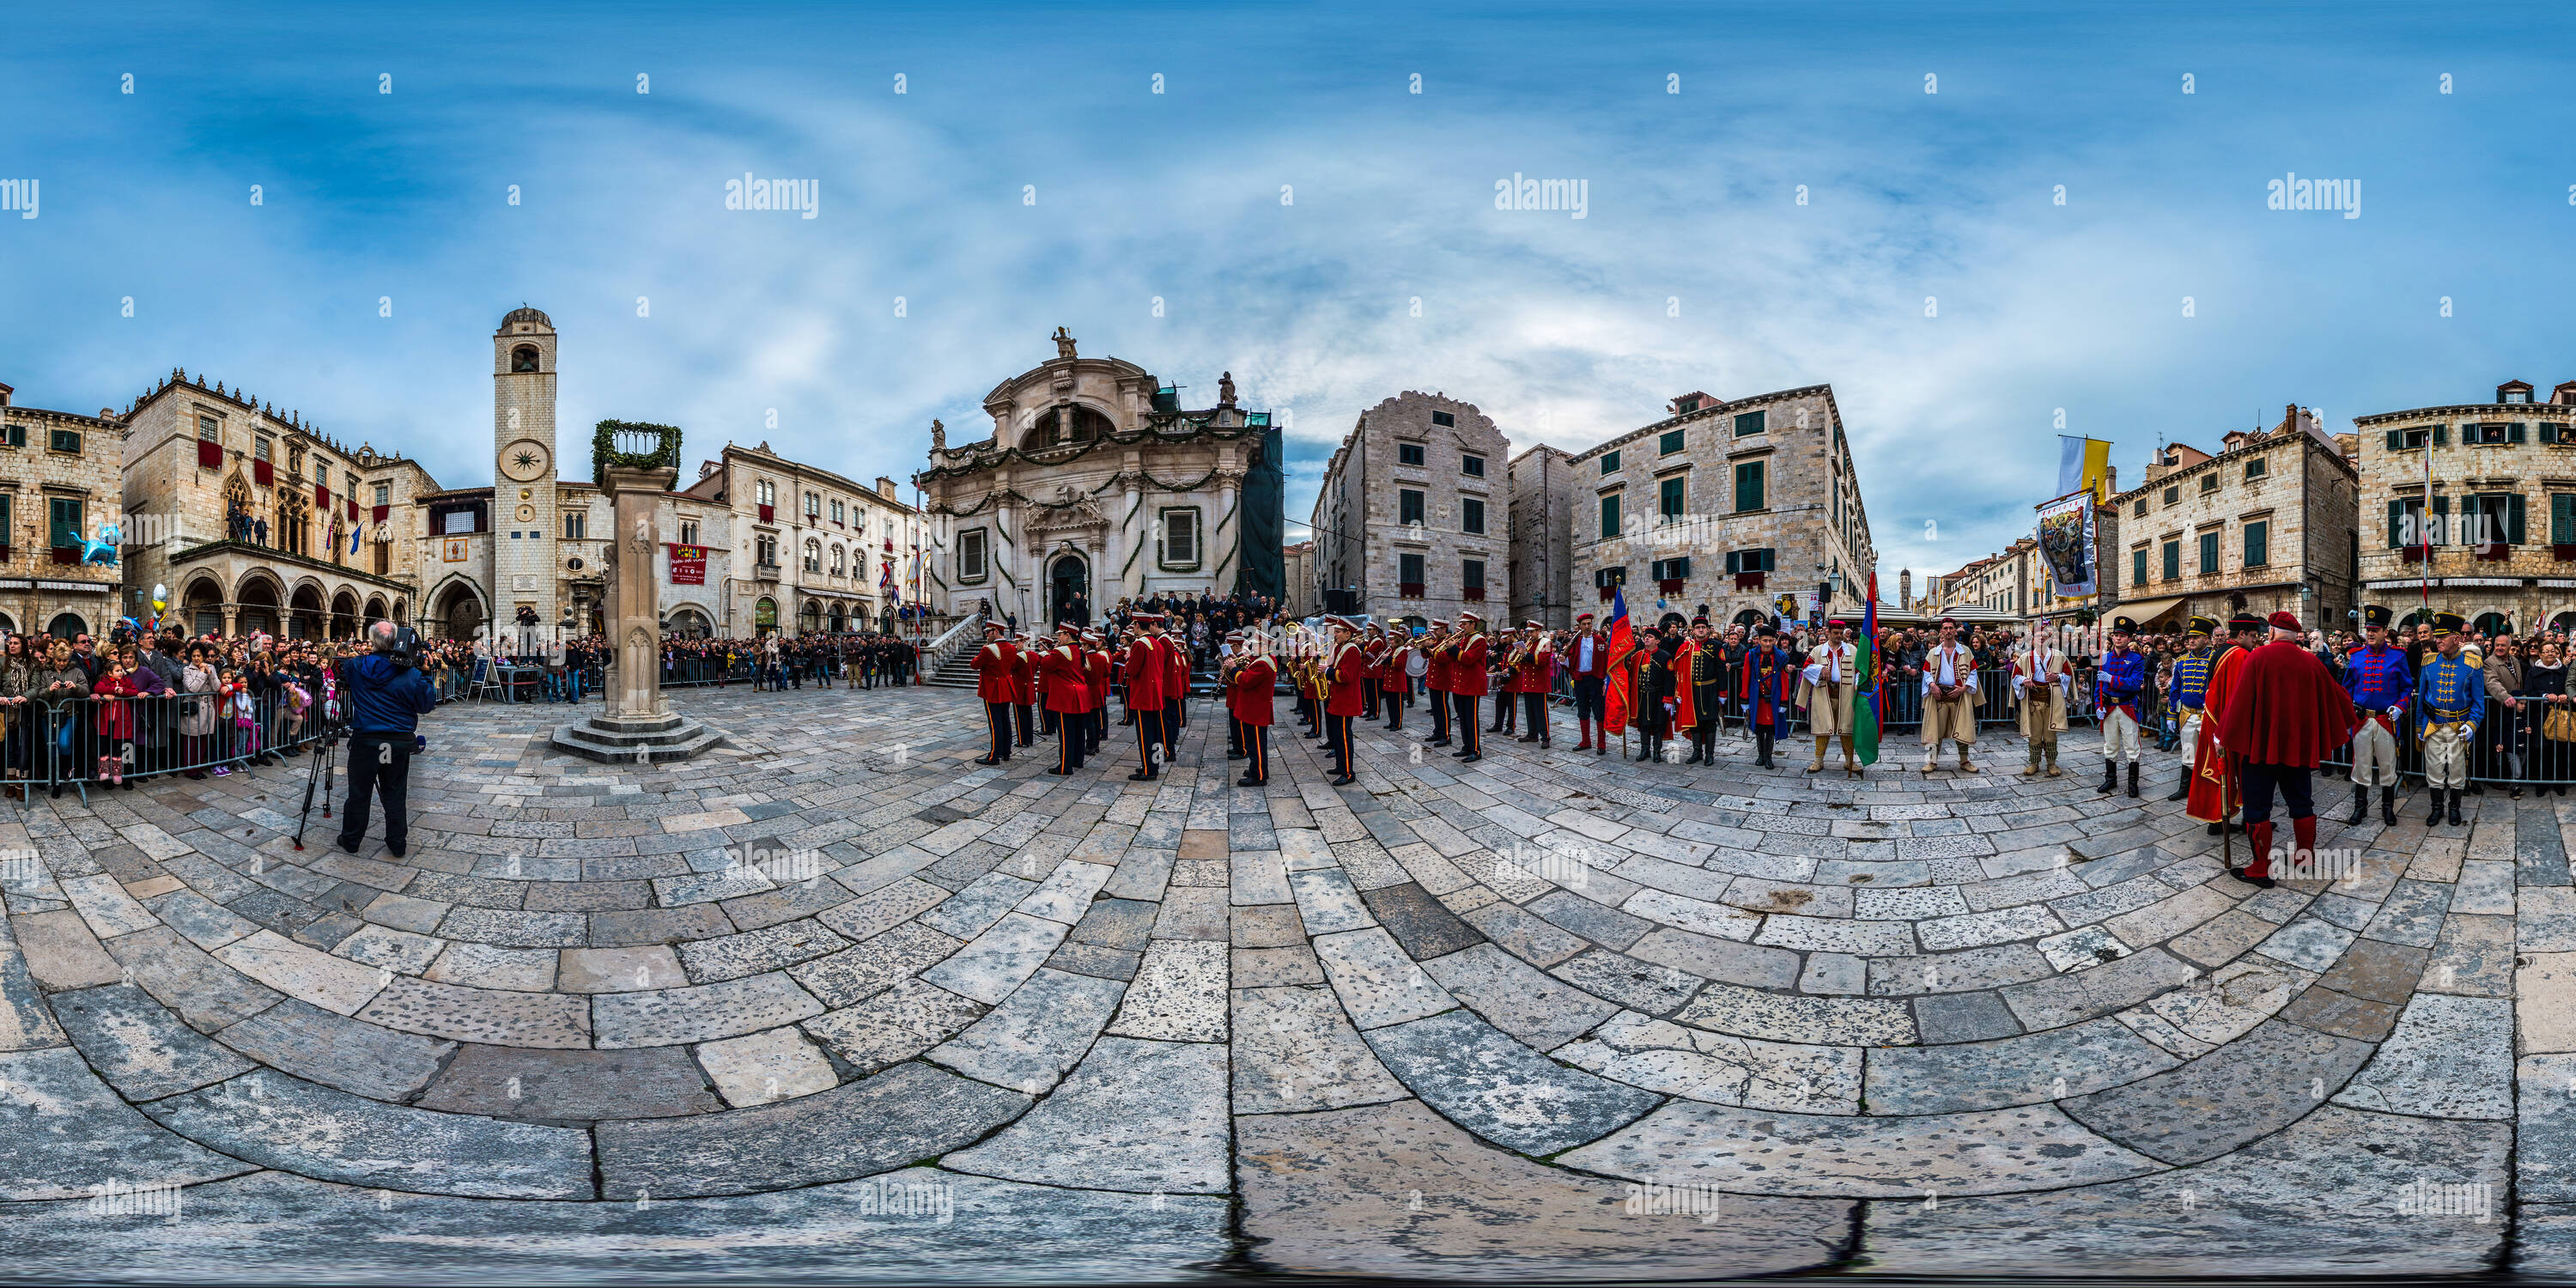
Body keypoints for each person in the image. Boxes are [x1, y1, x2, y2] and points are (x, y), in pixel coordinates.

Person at [2213, 611, 2354, 887]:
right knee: (2301, 803)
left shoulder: (2258, 657)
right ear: (2295, 636)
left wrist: (2222, 735)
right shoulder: (2311, 661)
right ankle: (2305, 859)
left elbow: (2239, 702)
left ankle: (2259, 868)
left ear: (2275, 632)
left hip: (2261, 749)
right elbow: (2337, 695)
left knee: (2257, 809)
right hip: (2297, 749)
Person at [337, 622, 438, 859]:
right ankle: (397, 842)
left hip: (367, 741)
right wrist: (425, 674)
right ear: (399, 641)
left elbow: (347, 670)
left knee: (358, 794)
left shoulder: (356, 666)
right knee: (394, 793)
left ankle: (351, 840)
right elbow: (426, 705)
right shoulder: (412, 673)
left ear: (372, 642)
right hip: (396, 743)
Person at [2185, 609, 2264, 835]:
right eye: (2252, 637)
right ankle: (2242, 820)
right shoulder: (2239, 655)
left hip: (2217, 722)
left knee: (2223, 774)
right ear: (2242, 634)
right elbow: (2238, 697)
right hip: (2228, 725)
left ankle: (2219, 818)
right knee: (2238, 773)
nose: (2254, 641)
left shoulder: (2221, 651)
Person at [2342, 605, 2413, 825]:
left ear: (2384, 631)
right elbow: (2347, 688)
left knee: (2387, 766)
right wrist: (2349, 709)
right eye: (2368, 630)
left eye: (2375, 630)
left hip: (2385, 720)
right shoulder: (2356, 656)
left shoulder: (2398, 656)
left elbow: (2407, 687)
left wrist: (2400, 706)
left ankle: (2387, 809)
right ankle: (2360, 808)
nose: (2370, 634)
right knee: (2361, 766)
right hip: (2362, 721)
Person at [2416, 612, 2484, 827]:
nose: (2437, 640)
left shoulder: (2473, 664)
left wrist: (2472, 725)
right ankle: (2437, 809)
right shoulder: (2428, 662)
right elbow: (2422, 698)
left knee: (2457, 771)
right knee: (2434, 770)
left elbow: (2478, 701)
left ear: (2457, 638)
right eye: (2437, 636)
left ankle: (2454, 808)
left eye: (2443, 637)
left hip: (2459, 727)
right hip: (2433, 726)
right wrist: (2420, 726)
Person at [2164, 617, 2219, 801]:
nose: (2191, 640)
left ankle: (2206, 790)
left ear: (2206, 639)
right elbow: (2175, 690)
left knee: (2208, 755)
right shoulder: (2181, 661)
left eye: (2196, 637)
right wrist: (2172, 714)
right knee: (2188, 752)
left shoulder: (2214, 659)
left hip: (2207, 715)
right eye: (2190, 637)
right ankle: (2185, 788)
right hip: (2186, 714)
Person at [1801, 618, 1862, 777]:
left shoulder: (1852, 650)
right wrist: (1820, 669)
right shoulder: (1817, 650)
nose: (1838, 636)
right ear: (1828, 632)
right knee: (1823, 728)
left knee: (1847, 729)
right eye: (1835, 633)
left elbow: (1859, 671)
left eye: (1841, 633)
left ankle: (1849, 761)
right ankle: (1818, 760)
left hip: (1846, 695)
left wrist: (1857, 685)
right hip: (1824, 693)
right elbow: (1806, 668)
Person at [2093, 617, 2148, 797]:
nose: (2118, 638)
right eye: (2116, 635)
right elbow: (2098, 687)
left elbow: (2134, 683)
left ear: (2129, 638)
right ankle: (2111, 779)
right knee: (2110, 745)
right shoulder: (2104, 658)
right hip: (2109, 708)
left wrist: (2112, 679)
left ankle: (2133, 783)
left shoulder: (2136, 659)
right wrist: (2097, 706)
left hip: (2127, 707)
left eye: (2122, 636)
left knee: (2132, 747)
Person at [1918, 617, 1978, 775]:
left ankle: (1964, 761)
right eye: (1945, 628)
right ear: (1941, 632)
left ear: (1955, 630)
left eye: (1951, 628)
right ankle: (1932, 761)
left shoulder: (1965, 651)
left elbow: (1973, 673)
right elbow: (1925, 672)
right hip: (1939, 697)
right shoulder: (1933, 652)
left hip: (1959, 696)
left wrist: (1963, 688)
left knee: (1962, 729)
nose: (1948, 631)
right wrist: (1932, 686)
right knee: (1934, 731)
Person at [2010, 628, 2072, 778]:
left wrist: (2056, 677)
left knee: (2050, 734)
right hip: (2033, 701)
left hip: (2052, 700)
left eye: (2045, 637)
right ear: (2032, 641)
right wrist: (2024, 680)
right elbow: (2016, 676)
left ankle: (2052, 763)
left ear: (2049, 640)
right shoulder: (2025, 657)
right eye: (2038, 637)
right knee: (2034, 733)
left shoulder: (2060, 656)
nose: (2041, 640)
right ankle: (2034, 763)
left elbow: (2069, 675)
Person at [1123, 612, 1174, 781]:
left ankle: (1148, 770)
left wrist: (1128, 660)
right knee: (1156, 733)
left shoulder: (1139, 645)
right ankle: (1154, 764)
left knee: (1145, 735)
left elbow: (1132, 671)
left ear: (1137, 625)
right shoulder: (1156, 643)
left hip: (1143, 695)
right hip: (1155, 694)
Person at [1039, 623, 1091, 776]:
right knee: (1078, 731)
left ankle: (1065, 766)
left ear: (1067, 635)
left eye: (1060, 635)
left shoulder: (1061, 651)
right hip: (1079, 694)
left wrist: (1049, 652)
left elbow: (1045, 665)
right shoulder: (1079, 650)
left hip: (1065, 696)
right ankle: (1077, 760)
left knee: (1065, 732)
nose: (1058, 638)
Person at [1741, 623, 1793, 769]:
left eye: (1770, 641)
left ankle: (1769, 757)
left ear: (1774, 641)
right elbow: (1746, 677)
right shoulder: (1750, 655)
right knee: (1758, 728)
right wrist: (1744, 698)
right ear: (1759, 640)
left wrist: (1783, 701)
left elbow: (1783, 680)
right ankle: (1760, 755)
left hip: (1773, 699)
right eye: (1765, 641)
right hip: (1757, 699)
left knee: (1770, 729)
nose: (1768, 644)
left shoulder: (1781, 657)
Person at [2484, 623, 2528, 799]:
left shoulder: (2515, 661)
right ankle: (2502, 779)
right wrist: (2505, 697)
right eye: (2497, 645)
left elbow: (2519, 683)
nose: (2500, 648)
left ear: (2510, 647)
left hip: (2515, 710)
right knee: (2502, 747)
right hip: (2500, 709)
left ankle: (2514, 781)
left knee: (2516, 746)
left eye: (2503, 645)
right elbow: (2492, 682)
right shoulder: (2490, 662)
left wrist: (2520, 700)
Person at [1230, 633, 1279, 787]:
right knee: (1255, 742)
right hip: (1255, 706)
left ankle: (1259, 776)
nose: (1251, 647)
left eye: (1255, 645)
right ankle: (1257, 768)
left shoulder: (1263, 663)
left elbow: (1244, 681)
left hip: (1256, 708)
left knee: (1256, 743)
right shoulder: (1263, 659)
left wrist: (1233, 668)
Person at [1674, 616, 1722, 766]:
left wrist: (1723, 693)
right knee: (1694, 722)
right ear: (1693, 630)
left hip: (1710, 690)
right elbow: (1679, 670)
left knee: (1709, 722)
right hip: (1691, 690)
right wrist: (1679, 691)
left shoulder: (1716, 646)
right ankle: (1697, 752)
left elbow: (1721, 670)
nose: (1701, 630)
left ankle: (1709, 754)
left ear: (1708, 629)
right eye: (1698, 628)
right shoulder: (1687, 647)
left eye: (1703, 627)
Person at [1323, 617, 1364, 786]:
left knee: (1344, 738)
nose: (1335, 634)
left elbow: (1346, 676)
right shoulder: (1343, 647)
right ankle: (1341, 765)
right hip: (1339, 699)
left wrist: (1327, 671)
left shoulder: (1352, 650)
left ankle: (1348, 773)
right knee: (1339, 737)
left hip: (1346, 701)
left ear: (1348, 634)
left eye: (1338, 632)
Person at [969, 621, 1017, 766]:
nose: (986, 635)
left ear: (996, 632)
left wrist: (981, 651)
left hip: (993, 688)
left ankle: (994, 756)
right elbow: (1012, 665)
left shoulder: (988, 649)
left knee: (994, 722)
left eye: (988, 632)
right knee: (1005, 720)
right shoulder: (1011, 647)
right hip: (1006, 686)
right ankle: (1006, 752)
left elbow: (974, 665)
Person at [1565, 611, 1611, 755]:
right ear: (1579, 626)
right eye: (1584, 624)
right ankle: (1585, 741)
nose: (1587, 626)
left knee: (1599, 711)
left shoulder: (1599, 641)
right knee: (1582, 710)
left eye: (1589, 624)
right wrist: (1563, 659)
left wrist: (1605, 680)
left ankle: (1601, 743)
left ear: (1592, 625)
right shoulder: (1575, 642)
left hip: (1596, 679)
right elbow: (1570, 660)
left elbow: (1606, 661)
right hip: (1580, 679)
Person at [1449, 611, 1489, 762]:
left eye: (1464, 624)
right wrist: (1449, 649)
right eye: (1461, 623)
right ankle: (1467, 746)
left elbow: (1468, 659)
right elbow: (1456, 660)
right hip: (1461, 683)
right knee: (1463, 718)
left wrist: (1454, 649)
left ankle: (1476, 749)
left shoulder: (1479, 640)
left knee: (1471, 719)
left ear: (1473, 624)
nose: (1461, 626)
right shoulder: (1465, 639)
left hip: (1471, 684)